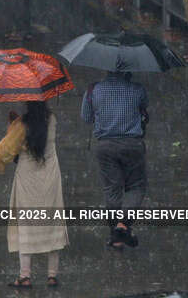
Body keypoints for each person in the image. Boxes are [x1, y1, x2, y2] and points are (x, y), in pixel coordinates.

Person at [0, 101, 68, 288]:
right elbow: (40, 135)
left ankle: (25, 276)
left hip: (27, 178)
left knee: (26, 224)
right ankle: (52, 275)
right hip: (50, 176)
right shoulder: (52, 119)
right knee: (51, 222)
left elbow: (8, 149)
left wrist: (13, 125)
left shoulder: (22, 123)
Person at [81, 70, 149, 249]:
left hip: (106, 146)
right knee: (136, 186)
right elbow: (144, 112)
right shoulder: (138, 89)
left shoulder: (93, 90)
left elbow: (86, 118)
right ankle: (124, 225)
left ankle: (116, 235)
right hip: (132, 144)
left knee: (112, 189)